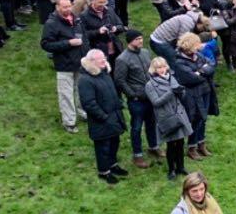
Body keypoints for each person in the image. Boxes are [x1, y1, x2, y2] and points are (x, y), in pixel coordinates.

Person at [77, 49, 128, 184]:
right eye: (102, 60)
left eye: (105, 59)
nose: (105, 61)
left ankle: (113, 165)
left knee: (114, 143)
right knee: (103, 147)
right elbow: (89, 103)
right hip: (102, 120)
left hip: (114, 116)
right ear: (92, 62)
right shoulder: (85, 80)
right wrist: (103, 117)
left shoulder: (104, 73)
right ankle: (104, 172)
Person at [113, 29, 159, 169]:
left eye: (141, 38)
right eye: (137, 39)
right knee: (137, 127)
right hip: (137, 100)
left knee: (152, 123)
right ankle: (137, 155)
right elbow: (120, 80)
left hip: (150, 96)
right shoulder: (122, 59)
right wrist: (132, 95)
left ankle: (153, 146)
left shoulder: (145, 53)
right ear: (130, 41)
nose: (140, 41)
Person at [41, 0, 87, 133]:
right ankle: (69, 122)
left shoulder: (77, 19)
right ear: (57, 7)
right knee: (66, 94)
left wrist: (87, 55)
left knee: (82, 90)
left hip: (80, 61)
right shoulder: (51, 23)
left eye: (69, 6)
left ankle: (83, 112)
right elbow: (46, 44)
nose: (68, 9)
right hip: (64, 64)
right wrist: (68, 43)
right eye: (64, 7)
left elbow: (84, 37)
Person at [144, 57, 191, 180]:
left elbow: (180, 96)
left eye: (164, 66)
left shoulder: (171, 77)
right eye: (159, 67)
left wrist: (181, 92)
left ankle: (181, 167)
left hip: (179, 114)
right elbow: (156, 102)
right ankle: (172, 170)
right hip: (167, 117)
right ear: (153, 69)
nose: (162, 70)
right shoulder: (150, 85)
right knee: (171, 144)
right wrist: (171, 92)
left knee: (180, 142)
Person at [175, 32, 217, 160]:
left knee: (203, 119)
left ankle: (201, 144)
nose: (200, 45)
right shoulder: (179, 62)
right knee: (195, 119)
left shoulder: (197, 55)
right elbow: (192, 78)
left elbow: (212, 65)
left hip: (205, 91)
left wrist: (200, 72)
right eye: (197, 43)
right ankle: (192, 147)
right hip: (193, 95)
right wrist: (202, 71)